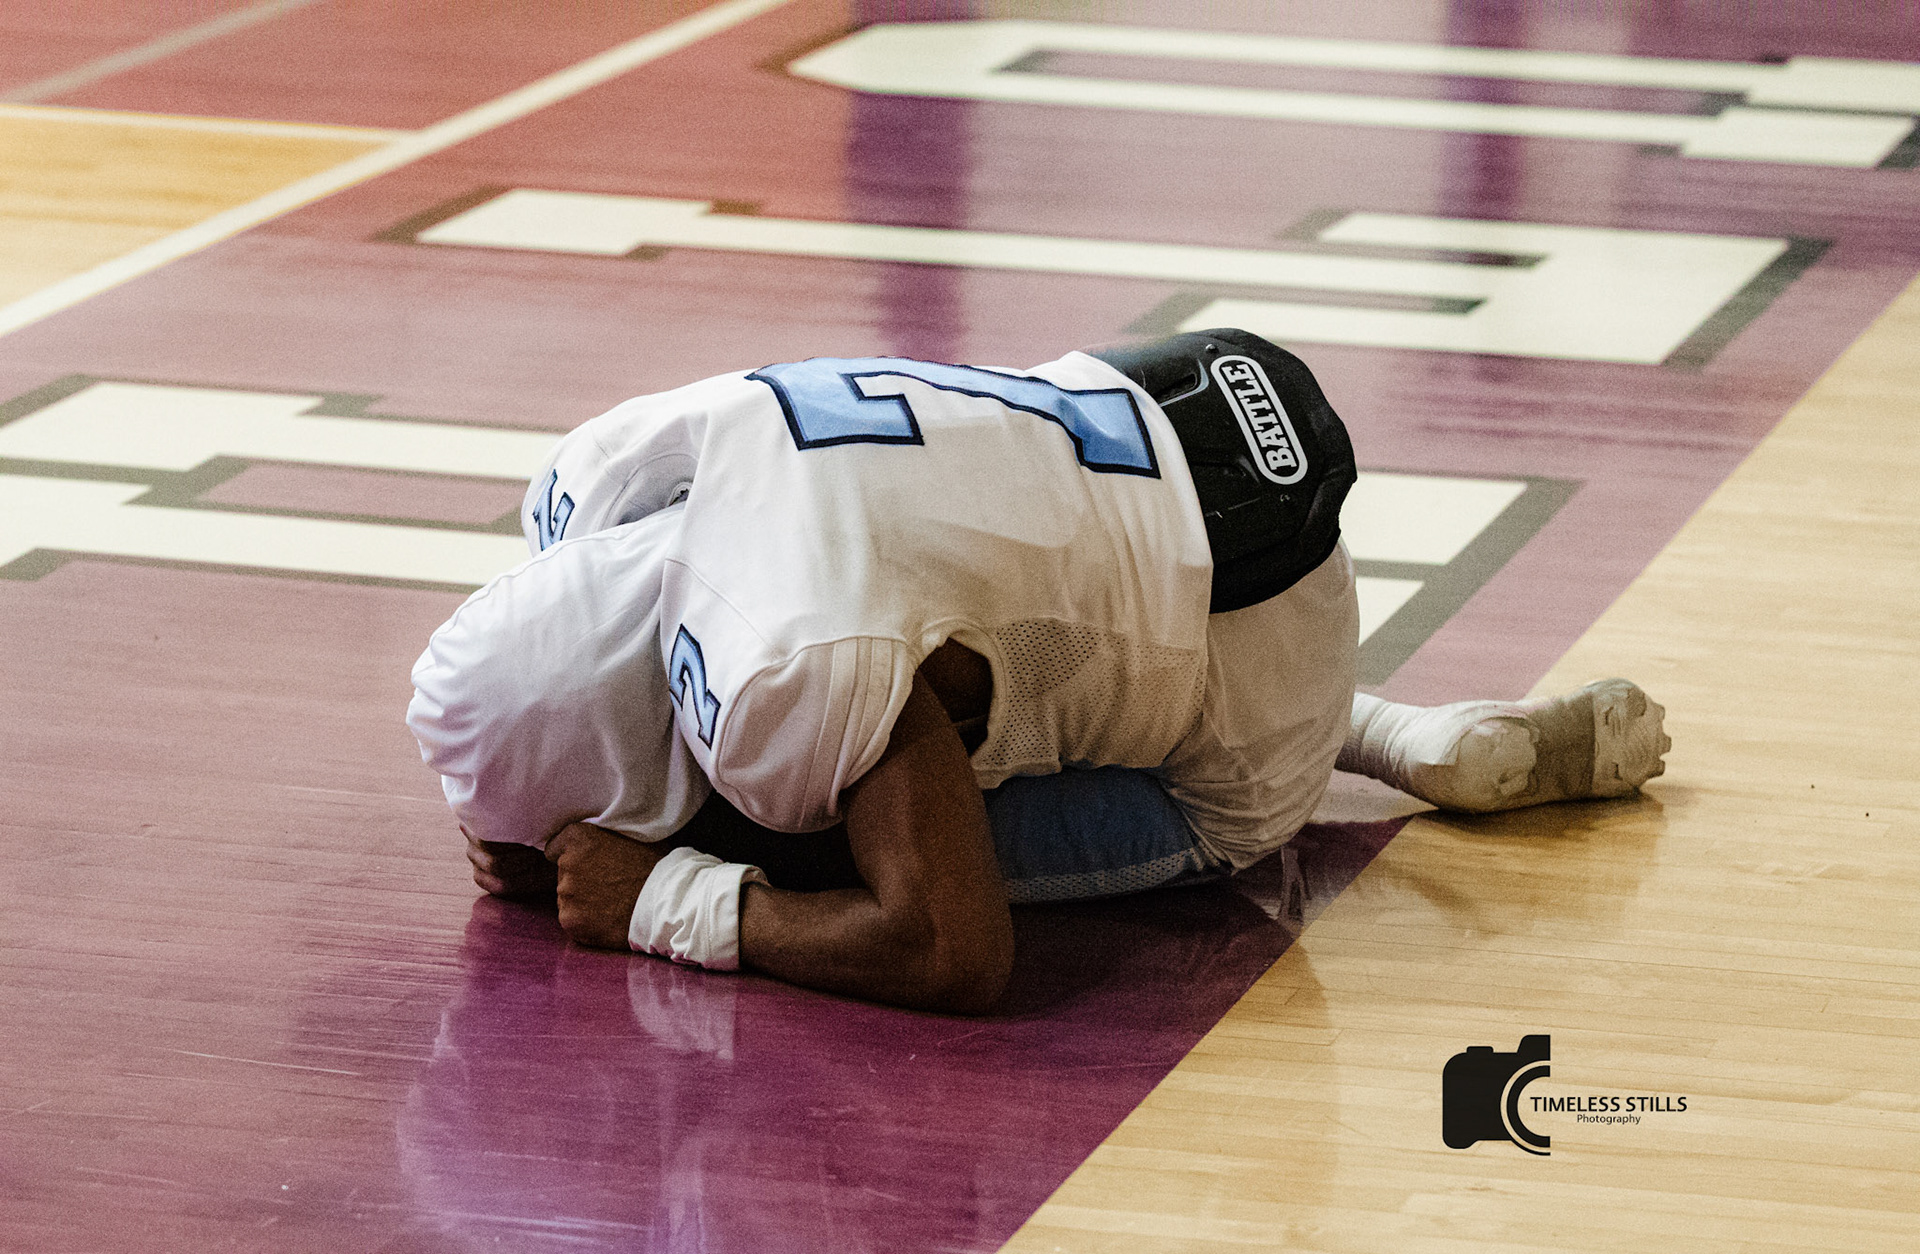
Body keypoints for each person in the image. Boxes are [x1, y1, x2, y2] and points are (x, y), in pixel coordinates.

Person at [407, 331, 1668, 1014]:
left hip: (1254, 703)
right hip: (1177, 411)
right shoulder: (595, 474)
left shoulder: (778, 683)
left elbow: (955, 950)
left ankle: (1351, 735)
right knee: (946, 624)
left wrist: (663, 897)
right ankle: (1386, 728)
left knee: (803, 838)